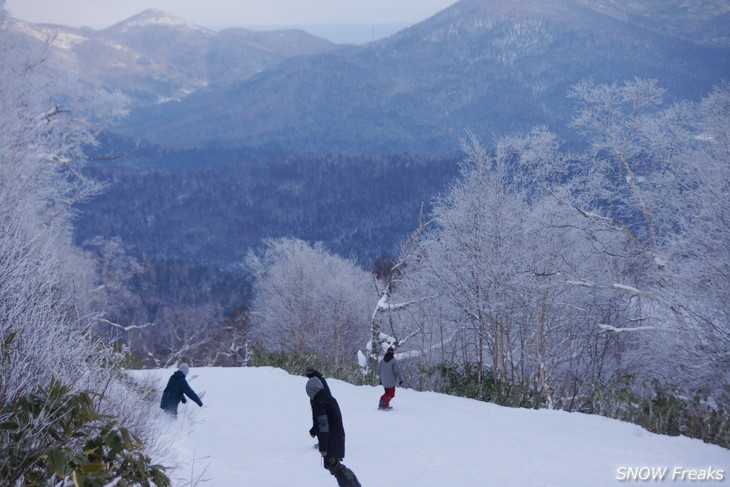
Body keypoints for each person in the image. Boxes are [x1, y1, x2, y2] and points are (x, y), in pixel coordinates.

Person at [306, 376, 361, 487]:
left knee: (333, 465)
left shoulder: (319, 403)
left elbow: (323, 425)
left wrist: (323, 447)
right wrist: (314, 430)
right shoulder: (326, 398)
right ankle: (354, 484)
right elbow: (322, 420)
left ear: (311, 391)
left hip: (332, 438)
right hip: (337, 436)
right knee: (333, 465)